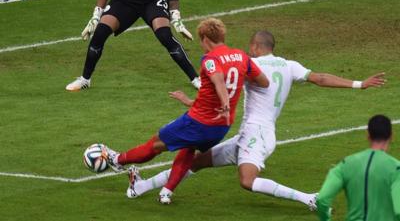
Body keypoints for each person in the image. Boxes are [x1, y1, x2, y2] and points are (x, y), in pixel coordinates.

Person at [125, 30, 387, 210]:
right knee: (196, 162)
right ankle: (142, 186)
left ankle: (310, 198)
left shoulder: (249, 64)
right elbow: (320, 78)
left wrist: (190, 102)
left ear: (255, 47)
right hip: (257, 133)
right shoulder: (289, 65)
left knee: (246, 181)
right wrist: (358, 84)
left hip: (256, 134)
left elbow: (221, 88)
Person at [99, 18, 269, 204]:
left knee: (155, 144)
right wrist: (192, 101)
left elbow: (218, 79)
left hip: (198, 123)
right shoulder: (241, 56)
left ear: (205, 38)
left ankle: (117, 160)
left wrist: (225, 100)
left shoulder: (210, 59)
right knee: (189, 148)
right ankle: (166, 192)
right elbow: (264, 82)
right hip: (221, 127)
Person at [66, 0, 201, 91]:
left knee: (164, 35)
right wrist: (96, 15)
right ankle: (85, 80)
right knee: (100, 33)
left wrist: (175, 17)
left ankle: (195, 79)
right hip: (126, 0)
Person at [317, 115, 400, 221]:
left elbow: (322, 199)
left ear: (368, 135)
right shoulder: (396, 168)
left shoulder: (346, 164)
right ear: (391, 136)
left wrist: (325, 219)